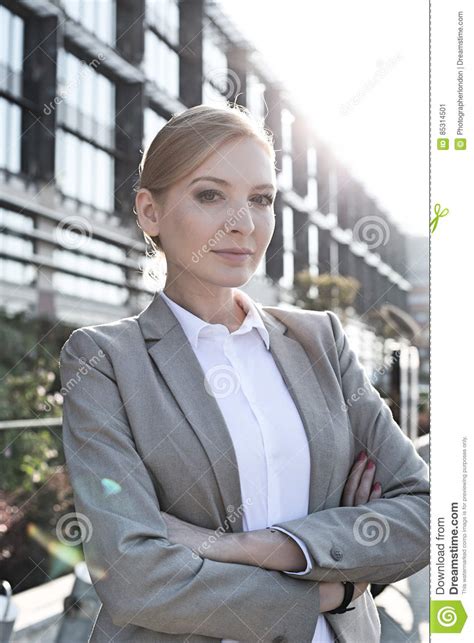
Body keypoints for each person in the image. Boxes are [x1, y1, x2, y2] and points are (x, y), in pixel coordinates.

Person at [59, 104, 429, 643]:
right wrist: (335, 586)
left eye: (261, 199)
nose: (243, 223)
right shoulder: (104, 360)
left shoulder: (319, 340)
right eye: (211, 195)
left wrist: (243, 546)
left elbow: (427, 515)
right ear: (149, 211)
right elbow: (134, 576)